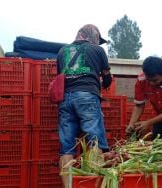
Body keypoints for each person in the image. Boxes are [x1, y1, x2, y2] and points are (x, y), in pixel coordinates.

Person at [57, 24, 112, 188]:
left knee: (66, 147)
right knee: (94, 142)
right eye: (97, 39)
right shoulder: (98, 50)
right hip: (87, 96)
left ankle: (68, 186)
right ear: (93, 36)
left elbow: (60, 77)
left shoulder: (62, 51)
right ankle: (93, 184)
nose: (98, 43)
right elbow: (107, 79)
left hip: (65, 99)